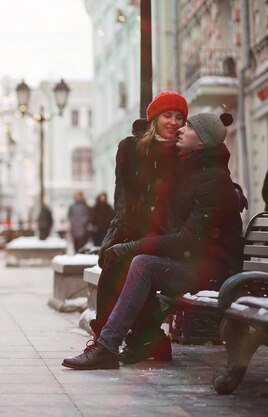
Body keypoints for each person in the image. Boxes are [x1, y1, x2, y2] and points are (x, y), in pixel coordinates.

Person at [62, 112, 244, 370]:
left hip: (213, 270)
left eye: (188, 126)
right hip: (196, 261)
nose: (180, 128)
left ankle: (108, 346)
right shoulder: (195, 168)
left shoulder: (212, 180)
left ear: (202, 141)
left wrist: (131, 246)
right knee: (131, 261)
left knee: (142, 263)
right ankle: (136, 341)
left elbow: (188, 239)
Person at [89, 91, 188, 363]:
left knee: (129, 262)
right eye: (167, 115)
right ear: (154, 118)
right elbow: (122, 197)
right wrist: (116, 236)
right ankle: (147, 340)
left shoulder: (184, 153)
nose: (173, 122)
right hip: (132, 228)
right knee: (114, 260)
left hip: (167, 236)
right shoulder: (130, 149)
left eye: (179, 117)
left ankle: (118, 343)